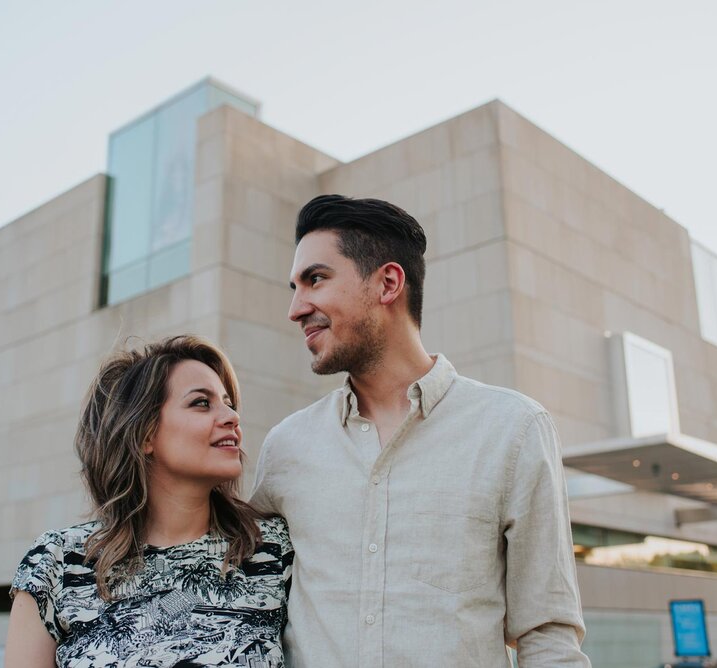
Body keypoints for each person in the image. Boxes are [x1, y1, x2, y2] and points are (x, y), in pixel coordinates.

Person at [251, 195, 590, 666]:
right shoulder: (286, 447)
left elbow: (548, 634)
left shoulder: (513, 430)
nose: (295, 308)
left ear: (387, 283)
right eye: (295, 286)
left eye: (316, 279)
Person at [5, 335, 294, 668]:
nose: (231, 416)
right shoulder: (57, 564)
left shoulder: (272, 549)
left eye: (228, 402)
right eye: (202, 402)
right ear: (145, 435)